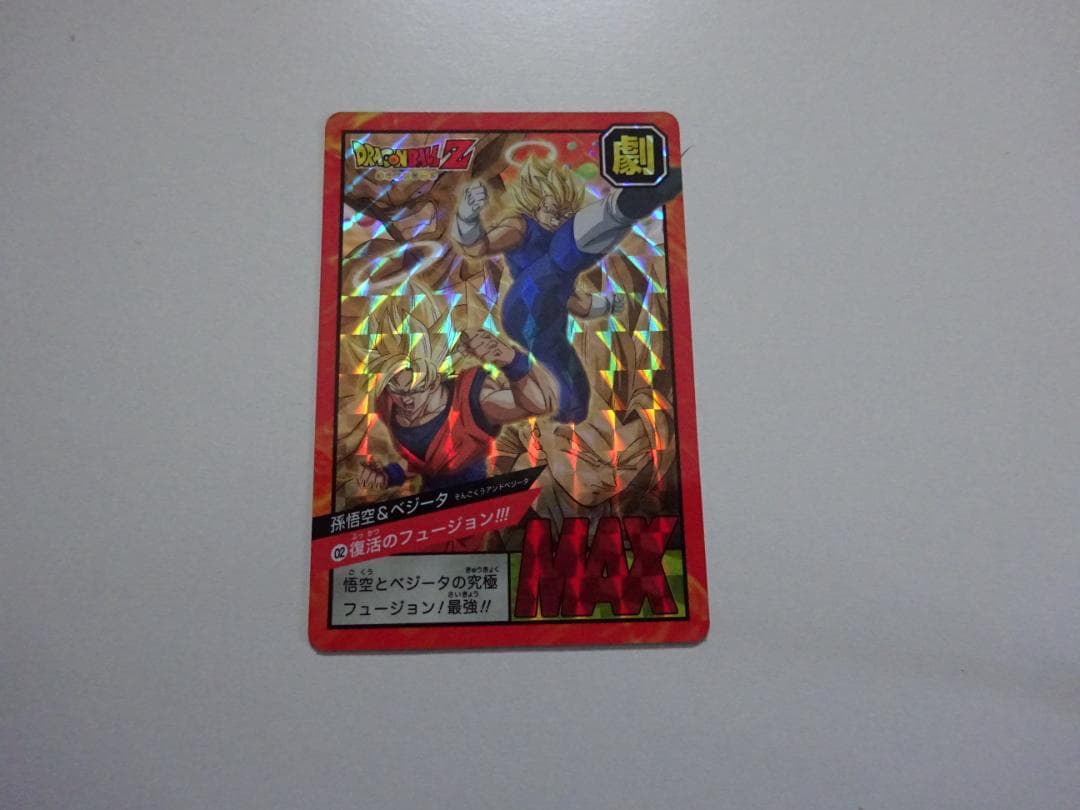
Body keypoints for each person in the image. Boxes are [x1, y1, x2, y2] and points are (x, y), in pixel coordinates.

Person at [451, 155, 681, 422]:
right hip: (523, 304)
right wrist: (467, 216)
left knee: (574, 401)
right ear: (534, 202)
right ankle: (622, 207)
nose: (558, 218)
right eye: (553, 210)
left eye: (565, 213)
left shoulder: (562, 256)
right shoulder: (521, 226)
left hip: (548, 321)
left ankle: (552, 412)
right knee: (559, 259)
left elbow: (576, 303)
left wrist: (606, 305)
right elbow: (477, 247)